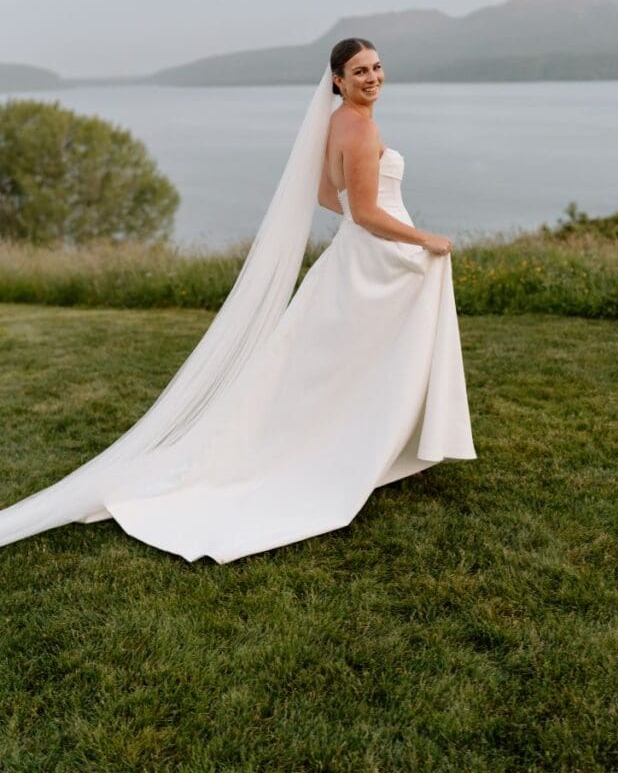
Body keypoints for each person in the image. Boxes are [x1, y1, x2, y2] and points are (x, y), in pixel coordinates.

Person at [0, 38, 476, 564]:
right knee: (365, 359)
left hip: (355, 259)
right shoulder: (361, 127)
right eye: (360, 71)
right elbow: (363, 212)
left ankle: (353, 442)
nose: (373, 77)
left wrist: (374, 224)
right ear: (337, 80)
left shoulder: (337, 120)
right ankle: (358, 449)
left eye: (378, 66)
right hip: (378, 257)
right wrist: (424, 238)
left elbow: (328, 195)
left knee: (337, 363)